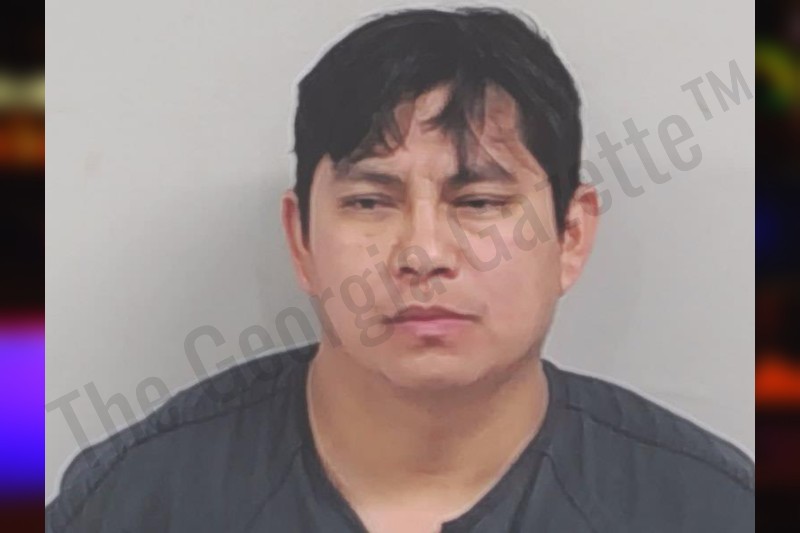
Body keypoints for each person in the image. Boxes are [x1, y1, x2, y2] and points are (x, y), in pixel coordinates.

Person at [46, 7, 754, 532]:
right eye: (370, 201)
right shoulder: (136, 501)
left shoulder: (707, 507)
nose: (423, 253)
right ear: (300, 237)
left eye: (479, 201)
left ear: (570, 235)